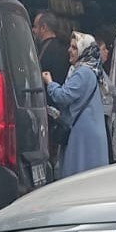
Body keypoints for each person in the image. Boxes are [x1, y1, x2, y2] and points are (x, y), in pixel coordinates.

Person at [43, 32, 109, 179]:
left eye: (74, 47)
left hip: (83, 135)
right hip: (89, 132)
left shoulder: (83, 73)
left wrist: (50, 82)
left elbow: (63, 96)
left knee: (78, 176)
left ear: (84, 50)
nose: (69, 50)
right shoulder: (91, 71)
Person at [32, 10, 69, 86]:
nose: (33, 30)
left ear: (43, 27)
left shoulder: (40, 50)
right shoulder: (66, 48)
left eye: (35, 27)